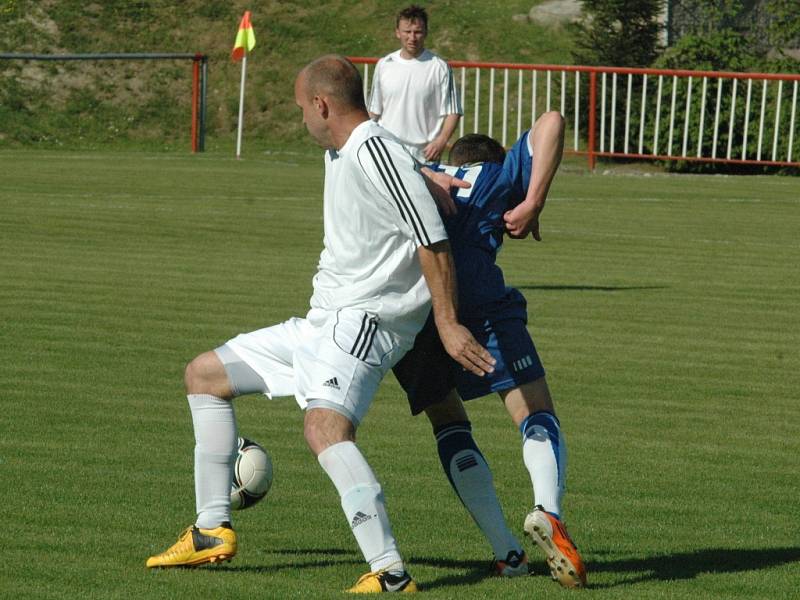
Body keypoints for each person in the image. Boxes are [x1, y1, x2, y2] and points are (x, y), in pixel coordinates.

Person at [145, 54, 495, 594]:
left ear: (322, 104)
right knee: (204, 376)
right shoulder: (355, 147)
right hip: (319, 324)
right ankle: (212, 528)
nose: (300, 119)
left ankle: (390, 572)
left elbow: (432, 239)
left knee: (325, 430)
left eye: (300, 108)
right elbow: (406, 171)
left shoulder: (373, 152)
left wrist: (447, 322)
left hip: (363, 321)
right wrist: (430, 174)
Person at [393, 111, 588, 588]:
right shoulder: (496, 173)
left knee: (449, 420)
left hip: (410, 307)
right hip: (475, 301)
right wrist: (534, 201)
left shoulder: (415, 169)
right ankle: (549, 512)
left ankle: (507, 553)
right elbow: (552, 123)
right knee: (534, 411)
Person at [368, 5, 461, 163]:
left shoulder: (440, 67)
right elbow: (374, 111)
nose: (412, 37)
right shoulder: (384, 64)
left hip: (424, 154)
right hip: (388, 149)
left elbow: (453, 111)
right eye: (407, 32)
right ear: (398, 32)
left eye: (417, 32)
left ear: (425, 33)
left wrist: (441, 141)